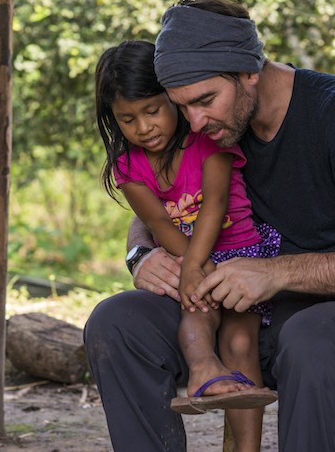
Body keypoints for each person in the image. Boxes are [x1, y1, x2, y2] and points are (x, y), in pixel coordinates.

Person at [84, 0, 335, 451]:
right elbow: (158, 209)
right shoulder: (205, 123)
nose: (196, 122)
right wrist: (141, 254)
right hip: (223, 308)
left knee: (311, 339)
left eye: (206, 101)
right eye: (182, 107)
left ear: (250, 71)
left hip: (333, 315)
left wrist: (275, 273)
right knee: (116, 321)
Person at [94, 40, 279, 450]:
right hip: (188, 257)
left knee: (241, 340)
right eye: (127, 119)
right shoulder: (128, 168)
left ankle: (245, 447)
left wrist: (200, 265)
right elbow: (157, 222)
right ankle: (202, 372)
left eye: (152, 111)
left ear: (173, 100)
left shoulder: (208, 141)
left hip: (241, 255)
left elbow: (214, 206)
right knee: (196, 317)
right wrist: (192, 269)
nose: (143, 128)